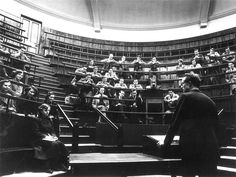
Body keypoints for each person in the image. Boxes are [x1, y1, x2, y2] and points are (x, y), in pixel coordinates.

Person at [163, 73, 219, 176]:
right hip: (210, 150)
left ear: (189, 84)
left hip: (191, 149)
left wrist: (165, 144)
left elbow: (175, 123)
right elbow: (217, 127)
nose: (181, 86)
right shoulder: (210, 101)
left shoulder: (185, 97)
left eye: (182, 83)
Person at [31, 103, 69, 172]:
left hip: (49, 138)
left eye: (48, 110)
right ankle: (47, 166)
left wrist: (54, 136)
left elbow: (52, 130)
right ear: (41, 110)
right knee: (53, 144)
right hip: (39, 138)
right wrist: (45, 136)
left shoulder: (49, 120)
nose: (47, 112)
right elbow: (35, 132)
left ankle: (58, 163)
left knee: (59, 143)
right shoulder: (36, 119)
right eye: (46, 110)